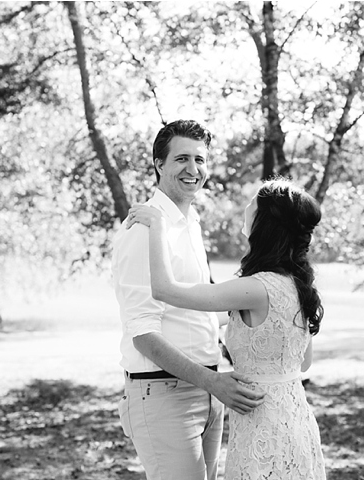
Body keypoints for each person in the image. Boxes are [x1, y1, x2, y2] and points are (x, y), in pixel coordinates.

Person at [127, 178, 327, 480]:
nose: (245, 207)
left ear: (265, 222)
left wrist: (158, 225)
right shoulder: (297, 285)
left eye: (252, 203)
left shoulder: (253, 288)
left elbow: (164, 289)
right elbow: (303, 361)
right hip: (295, 416)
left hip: (261, 422)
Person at [112, 119, 265, 480]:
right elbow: (142, 332)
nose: (193, 169)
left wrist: (274, 306)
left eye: (200, 159)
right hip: (164, 391)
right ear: (159, 164)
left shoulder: (190, 223)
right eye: (182, 158)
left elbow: (197, 313)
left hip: (208, 391)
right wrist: (212, 382)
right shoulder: (143, 230)